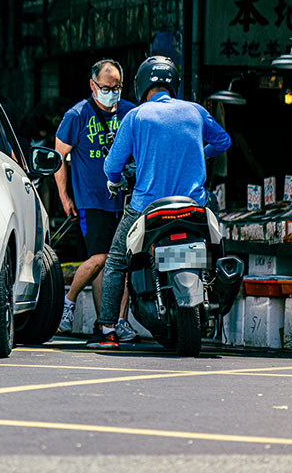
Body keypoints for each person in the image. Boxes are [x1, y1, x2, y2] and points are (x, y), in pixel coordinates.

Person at [86, 56, 231, 349]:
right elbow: (223, 142)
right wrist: (197, 153)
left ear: (141, 86)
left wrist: (115, 180)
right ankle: (215, 292)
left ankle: (108, 329)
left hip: (146, 208)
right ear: (173, 84)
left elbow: (112, 166)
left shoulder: (136, 116)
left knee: (115, 262)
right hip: (194, 206)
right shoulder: (196, 111)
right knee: (216, 249)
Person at [54, 59, 138, 341]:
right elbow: (58, 160)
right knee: (100, 258)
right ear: (93, 85)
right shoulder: (76, 115)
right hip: (92, 200)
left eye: (117, 87)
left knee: (120, 265)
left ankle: (113, 323)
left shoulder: (130, 113)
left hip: (125, 201)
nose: (112, 92)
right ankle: (69, 302)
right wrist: (65, 197)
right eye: (106, 87)